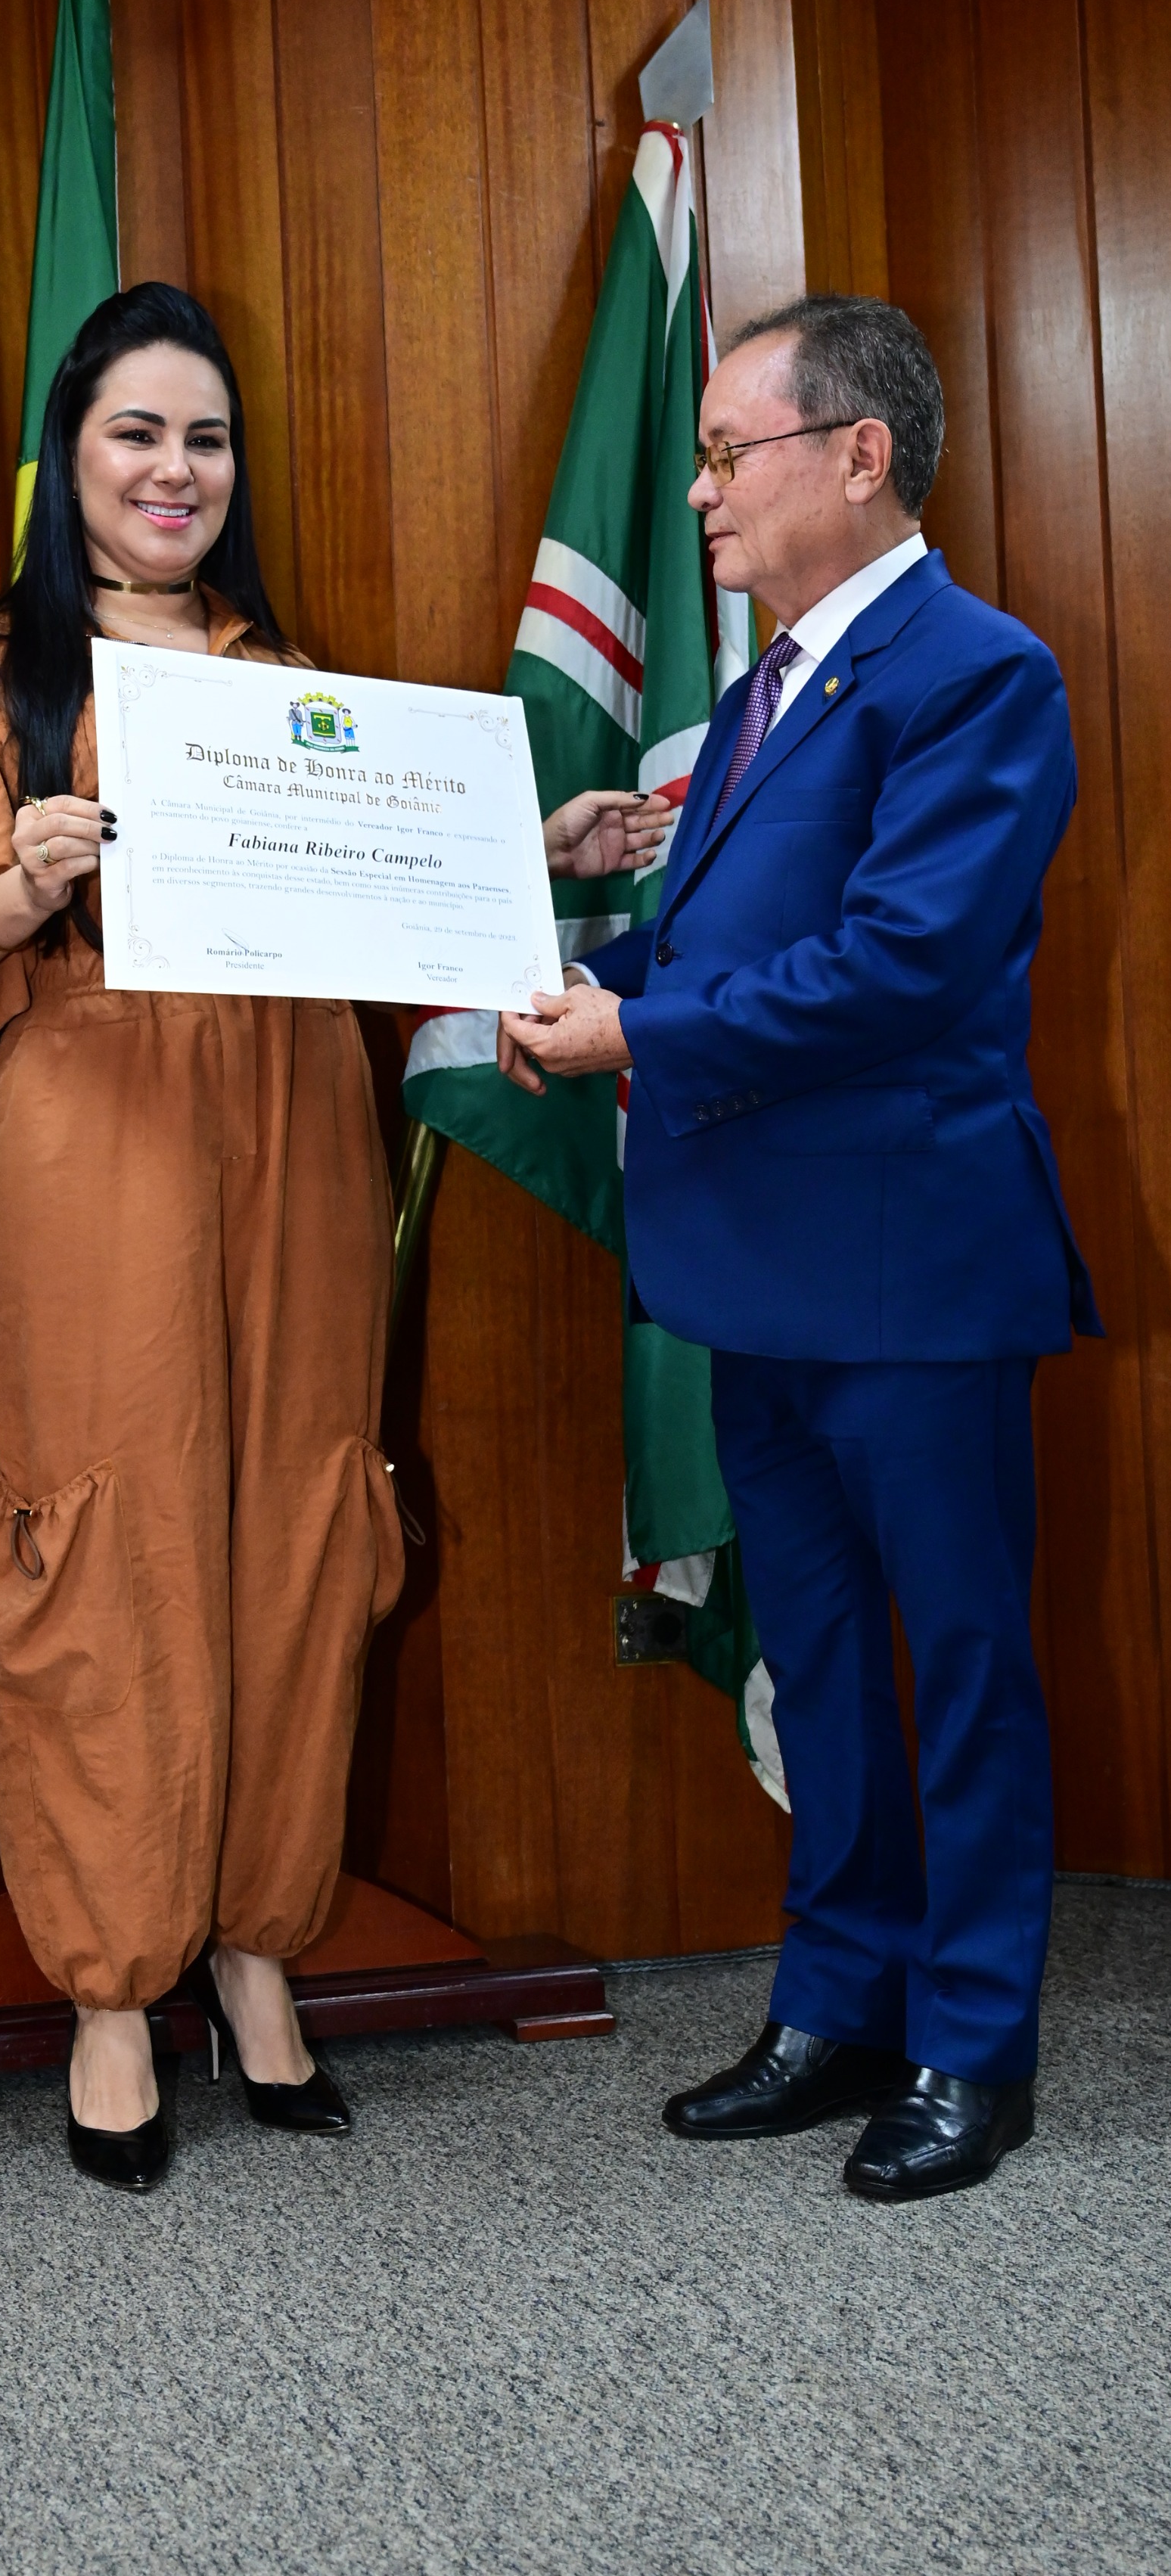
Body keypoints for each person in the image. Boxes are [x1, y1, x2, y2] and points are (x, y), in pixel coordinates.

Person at [0, 280, 667, 2189]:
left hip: (302, 1142)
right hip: (95, 1146)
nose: (177, 470)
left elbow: (388, 899)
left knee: (307, 1523)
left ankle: (255, 1947)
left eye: (206, 438)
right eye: (138, 433)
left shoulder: (291, 679)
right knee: (112, 1539)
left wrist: (528, 851)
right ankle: (109, 1985)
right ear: (72, 454)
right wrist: (18, 887)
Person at [502, 294, 1098, 2202]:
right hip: (754, 1270)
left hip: (912, 1271)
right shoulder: (768, 686)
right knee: (827, 1662)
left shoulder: (977, 671)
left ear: (860, 454)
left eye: (727, 452)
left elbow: (899, 966)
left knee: (965, 1667)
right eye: (694, 459)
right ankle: (839, 2003)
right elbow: (717, 949)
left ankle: (972, 2043)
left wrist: (635, 1036)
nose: (698, 492)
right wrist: (581, 978)